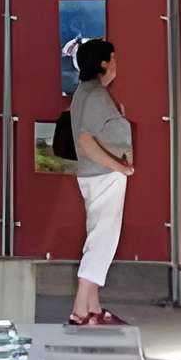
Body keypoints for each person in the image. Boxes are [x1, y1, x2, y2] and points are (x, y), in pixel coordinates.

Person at [69, 38, 133, 326]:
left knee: (98, 236)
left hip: (92, 174)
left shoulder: (84, 92)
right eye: (113, 58)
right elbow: (86, 139)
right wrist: (119, 166)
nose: (116, 64)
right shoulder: (96, 96)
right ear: (104, 63)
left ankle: (93, 308)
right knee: (102, 241)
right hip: (103, 175)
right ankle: (80, 310)